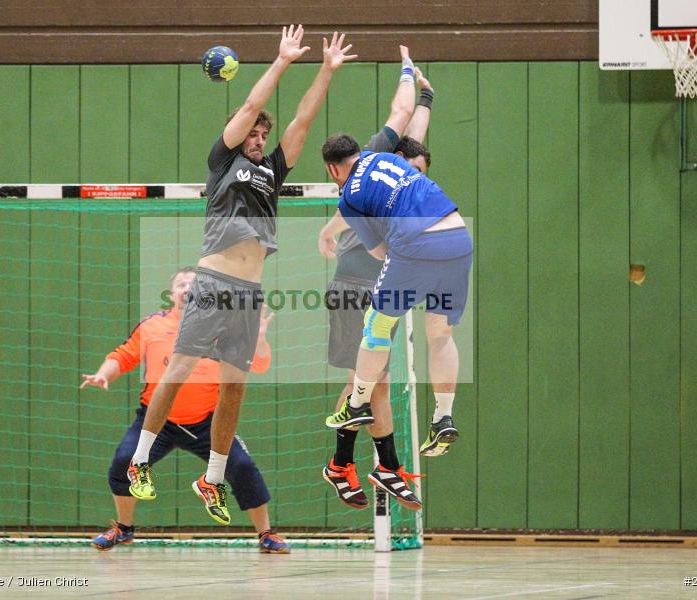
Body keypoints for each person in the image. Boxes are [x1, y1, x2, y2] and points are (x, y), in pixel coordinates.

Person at [127, 26, 357, 526]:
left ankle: (212, 479)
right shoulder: (223, 160)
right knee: (179, 369)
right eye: (251, 130)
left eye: (260, 134)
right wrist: (282, 61)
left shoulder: (273, 168)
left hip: (249, 292)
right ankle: (139, 461)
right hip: (213, 282)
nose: (257, 136)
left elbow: (301, 120)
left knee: (234, 388)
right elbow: (252, 107)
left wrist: (326, 70)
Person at [319, 120, 472, 511]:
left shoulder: (349, 196)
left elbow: (381, 254)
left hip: (404, 256)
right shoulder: (390, 162)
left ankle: (362, 447)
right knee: (434, 336)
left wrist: (412, 271)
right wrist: (420, 89)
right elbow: (407, 114)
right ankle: (440, 418)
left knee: (375, 357)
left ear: (333, 169)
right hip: (454, 239)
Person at [81, 267, 289, 553]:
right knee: (123, 464)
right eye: (181, 285)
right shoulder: (152, 326)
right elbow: (123, 355)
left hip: (206, 423)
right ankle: (124, 528)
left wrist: (261, 340)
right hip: (156, 422)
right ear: (171, 294)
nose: (188, 290)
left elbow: (260, 364)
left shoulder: (224, 329)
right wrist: (104, 374)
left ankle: (266, 534)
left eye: (194, 285)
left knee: (241, 467)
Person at [317, 50, 441, 511]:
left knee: (368, 385)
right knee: (368, 385)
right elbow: (401, 114)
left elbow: (412, 125)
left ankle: (346, 464)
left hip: (379, 291)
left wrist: (425, 91)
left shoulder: (400, 176)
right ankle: (377, 466)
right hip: (355, 287)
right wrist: (407, 69)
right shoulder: (363, 174)